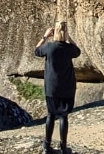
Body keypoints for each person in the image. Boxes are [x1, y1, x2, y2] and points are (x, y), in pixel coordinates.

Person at [34, 19, 82, 154]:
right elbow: (78, 51)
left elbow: (36, 51)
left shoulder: (49, 47)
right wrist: (69, 38)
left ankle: (46, 146)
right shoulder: (69, 49)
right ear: (65, 33)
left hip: (51, 87)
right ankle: (63, 147)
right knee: (63, 116)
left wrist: (44, 37)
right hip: (67, 86)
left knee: (50, 115)